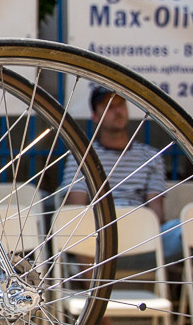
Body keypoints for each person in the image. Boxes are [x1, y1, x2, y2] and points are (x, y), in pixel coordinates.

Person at [60, 86, 181, 260]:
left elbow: (157, 215)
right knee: (82, 232)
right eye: (109, 107)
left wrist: (134, 226)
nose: (117, 111)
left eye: (120, 104)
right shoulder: (82, 157)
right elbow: (75, 211)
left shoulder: (151, 156)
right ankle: (96, 288)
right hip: (101, 235)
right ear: (95, 116)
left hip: (143, 235)